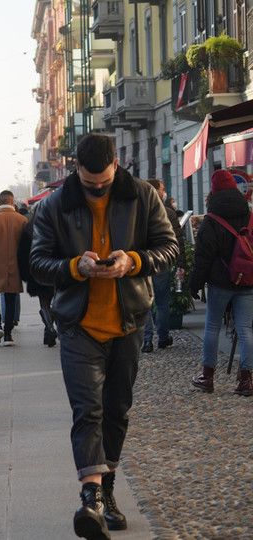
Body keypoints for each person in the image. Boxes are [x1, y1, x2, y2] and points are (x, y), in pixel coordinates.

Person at [30, 133, 177, 538]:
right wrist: (76, 267)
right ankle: (90, 499)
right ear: (76, 168)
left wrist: (133, 261)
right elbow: (38, 262)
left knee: (116, 411)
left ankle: (107, 490)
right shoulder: (55, 205)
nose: (97, 189)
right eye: (89, 182)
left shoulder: (143, 196)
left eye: (104, 182)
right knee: (87, 411)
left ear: (116, 163)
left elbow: (169, 248)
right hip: (78, 325)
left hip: (128, 322)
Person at [189, 170, 253, 397]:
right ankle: (246, 380)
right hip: (247, 281)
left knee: (212, 326)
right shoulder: (250, 215)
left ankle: (207, 376)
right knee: (246, 329)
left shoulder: (211, 220)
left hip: (220, 283)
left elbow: (202, 258)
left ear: (213, 191)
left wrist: (193, 285)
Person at [142, 179, 184, 353]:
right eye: (162, 189)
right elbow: (177, 241)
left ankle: (147, 341)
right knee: (162, 301)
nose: (164, 192)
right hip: (161, 262)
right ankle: (163, 337)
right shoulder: (168, 212)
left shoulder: (138, 212)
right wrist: (181, 263)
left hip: (143, 262)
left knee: (145, 303)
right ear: (156, 192)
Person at [0, 190, 28, 346]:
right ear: (12, 201)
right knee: (10, 299)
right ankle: (8, 334)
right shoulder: (22, 220)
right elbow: (26, 245)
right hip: (15, 265)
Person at [17, 203, 57, 347]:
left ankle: (49, 328)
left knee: (44, 302)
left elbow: (22, 254)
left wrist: (25, 274)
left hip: (38, 271)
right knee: (58, 300)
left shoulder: (29, 228)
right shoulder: (58, 226)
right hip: (57, 270)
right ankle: (50, 328)